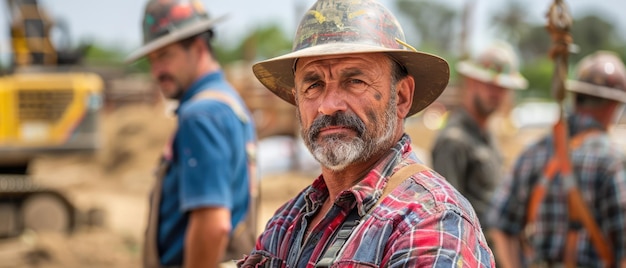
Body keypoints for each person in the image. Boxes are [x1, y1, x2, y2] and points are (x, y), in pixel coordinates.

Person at [237, 0, 494, 267]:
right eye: (313, 85)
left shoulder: (432, 220)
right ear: (297, 100)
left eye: (355, 81)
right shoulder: (286, 223)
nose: (328, 105)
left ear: (402, 97)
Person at [125, 0, 258, 267]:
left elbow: (213, 225)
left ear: (198, 47)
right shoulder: (228, 103)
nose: (156, 71)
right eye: (152, 60)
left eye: (164, 56)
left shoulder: (200, 115)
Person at [488, 51, 626, 268]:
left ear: (576, 97)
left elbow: (501, 226)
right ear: (613, 107)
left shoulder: (533, 152)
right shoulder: (613, 161)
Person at [431, 41, 528, 229]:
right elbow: (448, 217)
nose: (496, 93)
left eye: (502, 88)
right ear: (471, 82)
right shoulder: (454, 140)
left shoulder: (486, 135)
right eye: (490, 85)